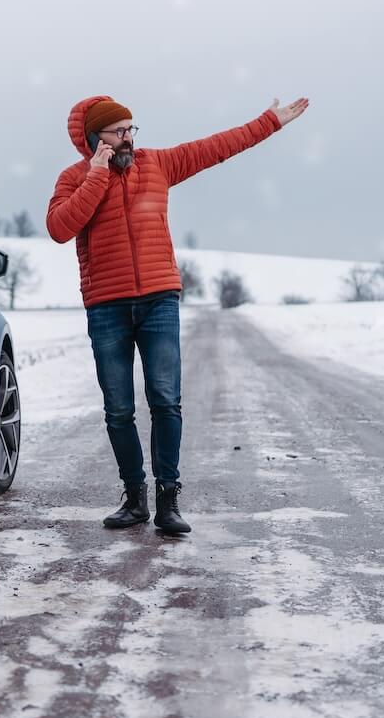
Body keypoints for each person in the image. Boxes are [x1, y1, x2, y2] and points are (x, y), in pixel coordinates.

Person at [46, 94, 310, 535]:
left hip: (158, 299)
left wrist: (270, 122)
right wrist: (96, 176)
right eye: (119, 132)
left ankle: (169, 500)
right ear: (97, 139)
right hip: (106, 306)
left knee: (166, 400)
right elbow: (59, 228)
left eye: (132, 129)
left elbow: (218, 147)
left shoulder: (157, 164)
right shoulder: (74, 177)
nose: (129, 138)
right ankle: (134, 498)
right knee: (118, 409)